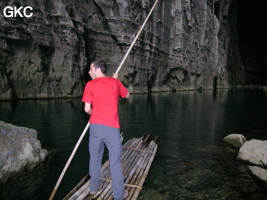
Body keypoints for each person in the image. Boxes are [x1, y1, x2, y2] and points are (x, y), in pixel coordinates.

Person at [82, 60, 130, 200]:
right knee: (114, 162)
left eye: (91, 69)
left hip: (95, 127)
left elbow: (87, 109)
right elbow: (127, 96)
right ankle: (119, 195)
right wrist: (116, 82)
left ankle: (93, 188)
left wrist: (95, 114)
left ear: (98, 70)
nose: (89, 72)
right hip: (112, 128)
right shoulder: (115, 83)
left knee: (95, 159)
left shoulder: (90, 85)